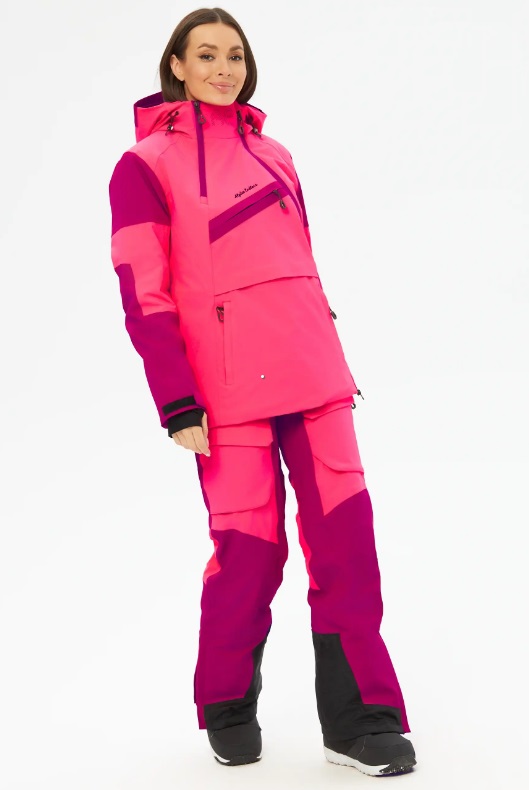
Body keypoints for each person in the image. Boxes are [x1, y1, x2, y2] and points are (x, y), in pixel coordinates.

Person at [108, 6, 417, 777]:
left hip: (313, 374)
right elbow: (144, 293)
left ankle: (361, 722)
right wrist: (176, 400)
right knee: (249, 554)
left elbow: (299, 260)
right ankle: (225, 704)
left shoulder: (276, 154)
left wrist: (328, 340)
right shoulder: (142, 166)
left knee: (347, 547)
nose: (223, 69)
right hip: (223, 390)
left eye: (235, 56)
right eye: (206, 55)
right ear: (176, 65)